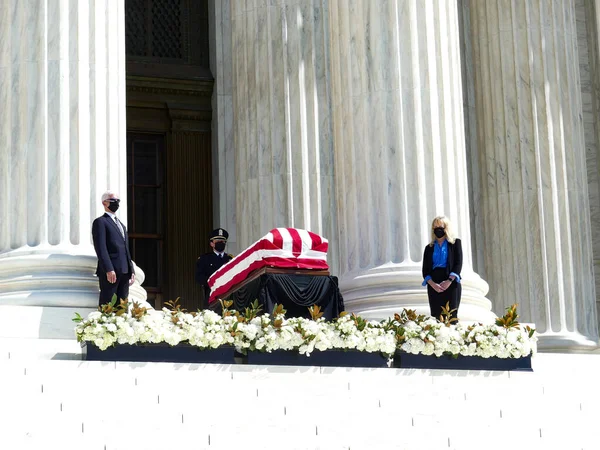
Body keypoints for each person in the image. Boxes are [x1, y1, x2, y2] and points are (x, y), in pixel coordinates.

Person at [92, 191, 135, 306]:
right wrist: (108, 269)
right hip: (111, 272)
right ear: (104, 203)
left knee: (122, 305)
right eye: (113, 201)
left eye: (118, 201)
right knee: (108, 303)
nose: (116, 203)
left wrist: (131, 270)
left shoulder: (121, 225)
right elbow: (100, 247)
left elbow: (126, 249)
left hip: (125, 270)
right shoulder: (100, 222)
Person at [422, 215, 462, 322]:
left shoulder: (455, 243)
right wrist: (433, 284)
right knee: (437, 318)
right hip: (434, 284)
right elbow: (425, 270)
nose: (438, 229)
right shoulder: (428, 248)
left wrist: (449, 281)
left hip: (451, 282)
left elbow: (458, 263)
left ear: (446, 228)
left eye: (441, 226)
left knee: (451, 317)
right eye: (435, 227)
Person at [195, 228, 233, 301]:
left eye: (222, 241)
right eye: (218, 241)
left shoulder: (230, 259)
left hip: (229, 295)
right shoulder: (204, 259)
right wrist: (213, 282)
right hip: (211, 295)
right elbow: (199, 277)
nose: (221, 243)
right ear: (212, 244)